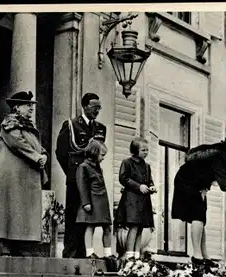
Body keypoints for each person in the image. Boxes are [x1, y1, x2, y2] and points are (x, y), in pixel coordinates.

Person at [0, 91, 49, 256]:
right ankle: (9, 246)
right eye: (27, 105)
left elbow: (37, 146)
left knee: (21, 210)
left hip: (24, 176)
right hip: (12, 175)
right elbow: (17, 144)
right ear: (17, 107)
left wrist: (43, 155)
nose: (31, 108)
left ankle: (21, 245)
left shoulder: (28, 126)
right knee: (11, 209)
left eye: (31, 105)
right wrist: (37, 157)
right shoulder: (10, 124)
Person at [171, 132, 226, 267]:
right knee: (197, 216)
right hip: (186, 180)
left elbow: (211, 174)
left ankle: (204, 255)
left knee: (201, 217)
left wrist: (205, 187)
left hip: (198, 183)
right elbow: (221, 176)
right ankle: (197, 256)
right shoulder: (218, 154)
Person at [55, 93, 107, 258]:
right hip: (75, 178)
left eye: (99, 108)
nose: (97, 111)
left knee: (88, 218)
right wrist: (73, 173)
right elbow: (61, 152)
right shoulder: (71, 125)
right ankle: (70, 254)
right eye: (94, 107)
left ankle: (84, 253)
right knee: (72, 216)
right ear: (84, 106)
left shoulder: (100, 128)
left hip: (93, 180)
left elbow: (98, 154)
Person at [114, 138, 156, 261]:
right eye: (143, 150)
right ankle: (129, 254)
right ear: (135, 150)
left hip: (144, 200)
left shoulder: (147, 166)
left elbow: (149, 180)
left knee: (141, 228)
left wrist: (151, 186)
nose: (146, 152)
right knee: (133, 226)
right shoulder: (127, 162)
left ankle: (137, 255)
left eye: (147, 150)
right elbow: (123, 178)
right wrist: (138, 186)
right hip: (131, 200)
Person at [75, 139, 114, 259]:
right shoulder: (83, 167)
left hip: (102, 203)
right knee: (90, 226)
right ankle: (89, 253)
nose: (103, 158)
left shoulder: (98, 168)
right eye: (102, 155)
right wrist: (86, 202)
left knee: (107, 227)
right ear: (94, 152)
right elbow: (82, 186)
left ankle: (108, 254)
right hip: (92, 202)